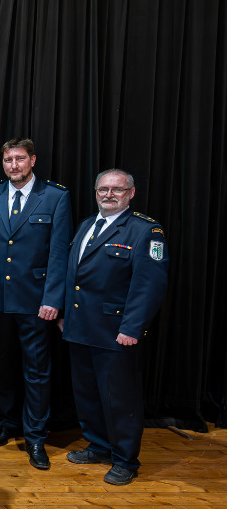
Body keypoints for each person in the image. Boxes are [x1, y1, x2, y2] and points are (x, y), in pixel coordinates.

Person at [60, 169, 169, 485]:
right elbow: (74, 277)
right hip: (80, 328)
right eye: (103, 189)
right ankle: (99, 446)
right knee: (88, 395)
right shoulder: (86, 225)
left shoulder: (145, 231)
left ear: (131, 193)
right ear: (95, 192)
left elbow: (149, 286)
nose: (109, 195)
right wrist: (66, 315)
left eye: (117, 189)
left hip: (115, 331)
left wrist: (132, 328)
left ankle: (125, 460)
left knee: (120, 400)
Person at [0, 138, 71, 470]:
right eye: (8, 160)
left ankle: (35, 437)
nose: (13, 165)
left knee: (36, 372)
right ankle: (5, 423)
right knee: (0, 367)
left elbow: (59, 253)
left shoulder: (55, 196)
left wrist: (53, 299)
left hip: (35, 301)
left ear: (32, 160)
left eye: (19, 159)